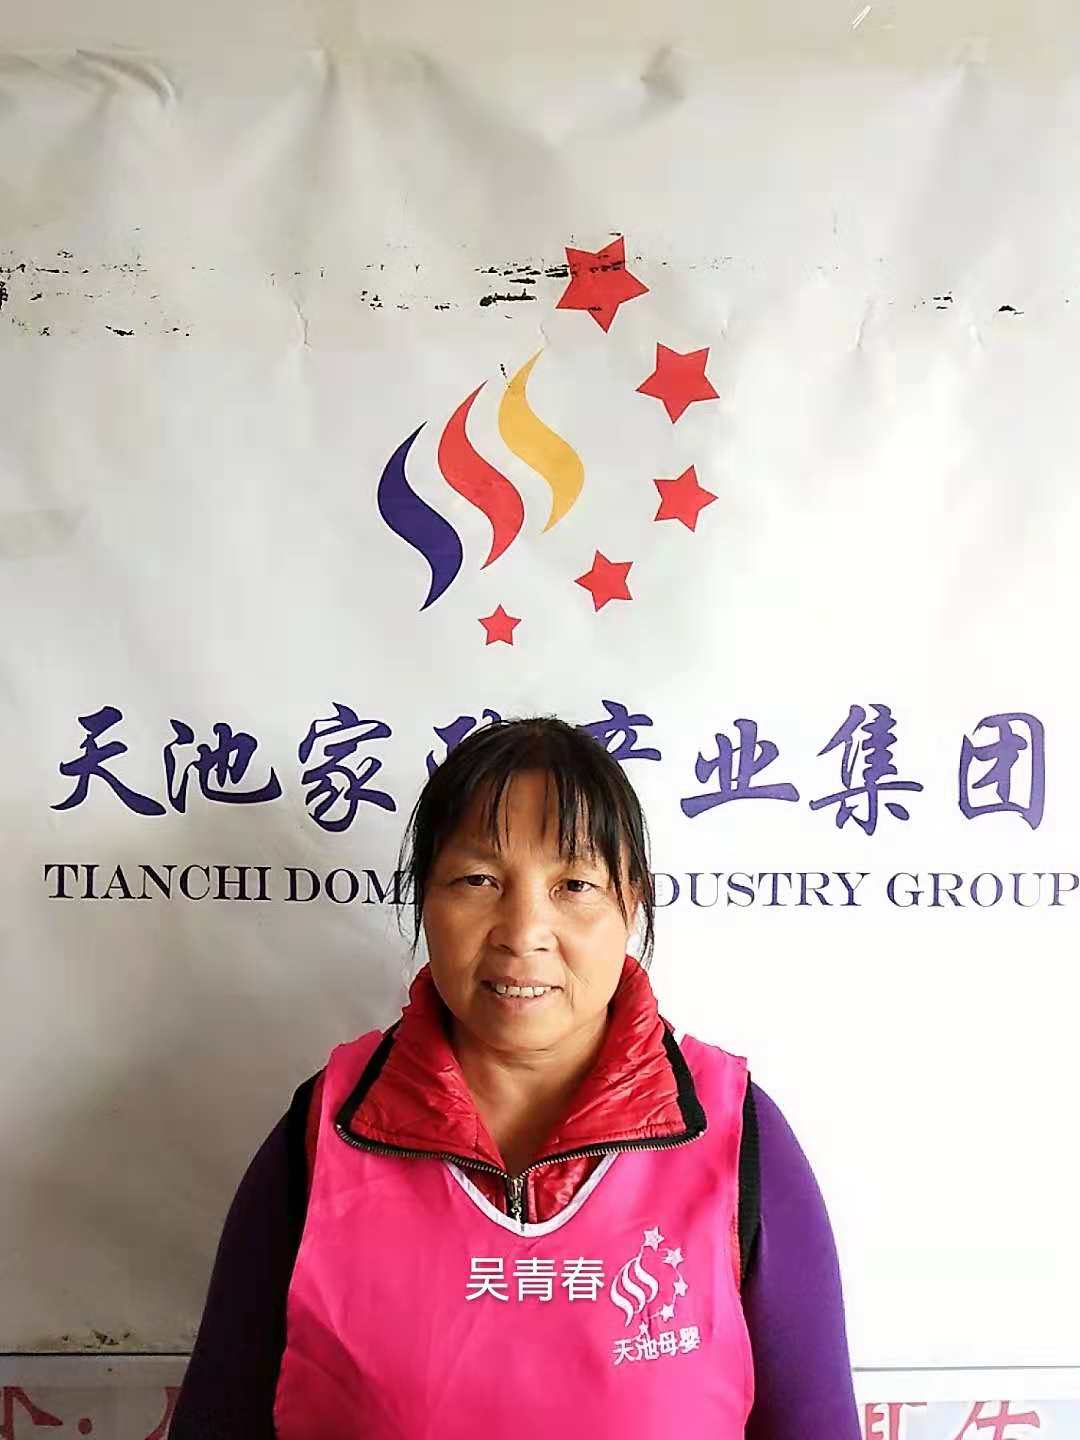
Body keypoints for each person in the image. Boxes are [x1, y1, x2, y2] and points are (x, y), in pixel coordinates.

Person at [171, 716, 861, 1438]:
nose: (523, 931)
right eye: (479, 880)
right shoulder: (324, 1134)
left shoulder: (736, 1135)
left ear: (631, 903)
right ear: (425, 899)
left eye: (574, 884)